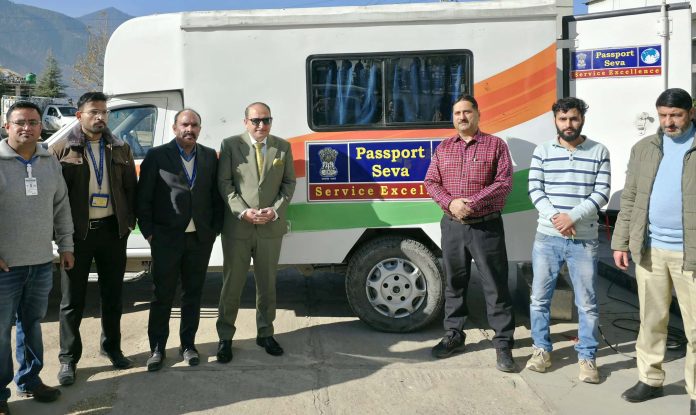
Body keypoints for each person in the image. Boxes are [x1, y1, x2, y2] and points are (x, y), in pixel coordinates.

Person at [612, 88, 696, 413]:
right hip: (651, 250)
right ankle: (649, 379)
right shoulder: (644, 148)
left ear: (690, 112)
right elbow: (630, 197)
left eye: (675, 115)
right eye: (663, 115)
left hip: (691, 254)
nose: (668, 122)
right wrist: (621, 241)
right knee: (651, 320)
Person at [423, 94, 516, 372]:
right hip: (452, 226)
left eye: (467, 112)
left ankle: (503, 343)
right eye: (457, 113)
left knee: (495, 285)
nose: (462, 117)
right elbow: (431, 181)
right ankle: (454, 334)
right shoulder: (443, 148)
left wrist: (471, 203)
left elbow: (503, 183)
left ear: (477, 114)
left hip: (486, 227)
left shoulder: (495, 145)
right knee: (454, 283)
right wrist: (451, 203)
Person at [50, 92, 137, 386]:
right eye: (93, 112)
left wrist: (128, 223)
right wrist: (59, 237)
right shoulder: (61, 149)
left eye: (104, 112)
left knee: (113, 295)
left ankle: (112, 348)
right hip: (78, 236)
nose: (100, 117)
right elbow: (53, 197)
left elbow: (131, 189)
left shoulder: (120, 148)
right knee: (71, 300)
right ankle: (68, 359)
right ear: (79, 116)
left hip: (113, 232)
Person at [525, 97, 611, 384]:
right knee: (539, 299)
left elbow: (602, 192)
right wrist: (556, 218)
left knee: (587, 303)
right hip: (547, 238)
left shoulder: (599, 151)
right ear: (555, 121)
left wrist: (571, 217)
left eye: (573, 118)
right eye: (563, 119)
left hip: (583, 240)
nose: (568, 124)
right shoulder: (542, 151)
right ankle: (541, 350)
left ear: (582, 119)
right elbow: (535, 190)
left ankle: (587, 356)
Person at [0, 101, 75, 413]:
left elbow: (61, 205)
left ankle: (30, 379)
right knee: (0, 332)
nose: (26, 128)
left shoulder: (49, 161)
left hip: (41, 262)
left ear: (41, 127)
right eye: (20, 122)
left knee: (31, 325)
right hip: (5, 267)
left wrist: (66, 245)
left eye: (33, 122)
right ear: (7, 126)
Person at [136, 109, 223, 371]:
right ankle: (157, 348)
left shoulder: (209, 156)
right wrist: (149, 232)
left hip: (200, 238)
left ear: (200, 129)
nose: (190, 129)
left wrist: (214, 229)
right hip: (166, 238)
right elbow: (143, 198)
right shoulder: (157, 155)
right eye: (185, 124)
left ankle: (188, 346)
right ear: (175, 128)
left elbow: (216, 195)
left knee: (193, 295)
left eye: (194, 125)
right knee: (162, 295)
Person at [216, 102, 296, 362]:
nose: (261, 125)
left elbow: (289, 183)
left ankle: (265, 333)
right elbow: (225, 184)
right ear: (246, 122)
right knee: (232, 285)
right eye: (256, 120)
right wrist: (243, 211)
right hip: (238, 228)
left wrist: (275, 210)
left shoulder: (282, 147)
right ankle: (225, 337)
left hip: (270, 228)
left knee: (267, 284)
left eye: (266, 120)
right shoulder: (230, 145)